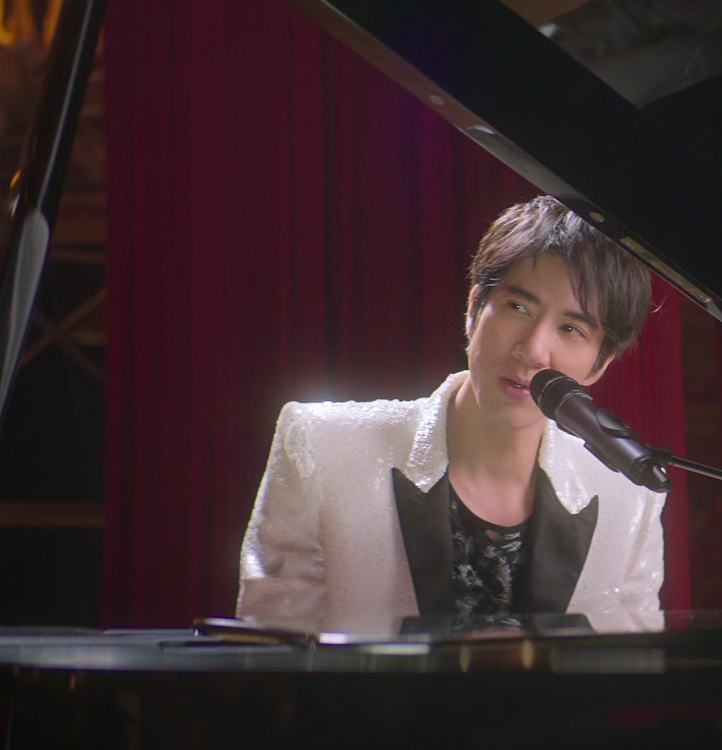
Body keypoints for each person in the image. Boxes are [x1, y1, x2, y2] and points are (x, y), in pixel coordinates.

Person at [236, 197, 663, 635]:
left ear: (600, 364)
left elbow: (631, 658)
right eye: (518, 307)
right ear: (474, 309)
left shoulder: (629, 494)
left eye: (571, 329)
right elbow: (274, 652)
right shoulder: (321, 446)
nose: (534, 350)